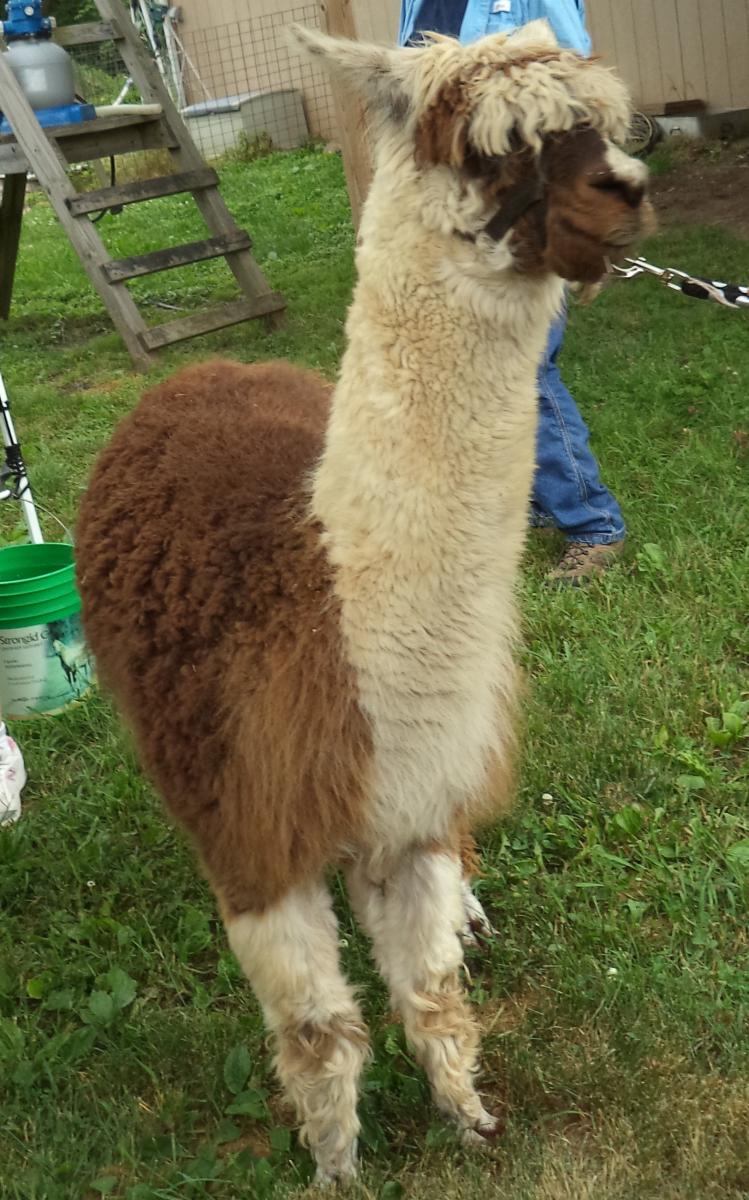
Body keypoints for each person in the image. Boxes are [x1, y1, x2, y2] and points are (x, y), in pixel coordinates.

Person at [399, 0, 627, 584]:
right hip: (459, 210)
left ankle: (592, 522)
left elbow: (561, 86)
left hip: (521, 208)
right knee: (476, 366)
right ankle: (535, 499)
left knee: (528, 368)